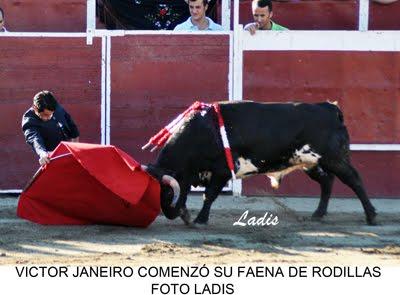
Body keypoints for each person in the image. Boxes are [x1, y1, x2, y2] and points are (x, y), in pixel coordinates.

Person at [22, 91, 80, 166]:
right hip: (49, 158)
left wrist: (74, 151)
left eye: (51, 114)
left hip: (65, 153)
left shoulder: (55, 107)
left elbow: (72, 128)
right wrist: (42, 154)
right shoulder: (29, 120)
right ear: (35, 108)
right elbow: (34, 139)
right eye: (45, 115)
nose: (48, 117)